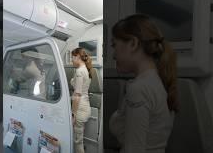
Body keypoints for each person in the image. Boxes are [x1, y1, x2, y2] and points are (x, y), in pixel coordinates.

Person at [109, 14, 178, 153]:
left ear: (133, 44)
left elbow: (133, 149)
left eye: (114, 45)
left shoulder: (139, 88)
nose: (113, 55)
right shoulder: (156, 81)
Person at [71, 48, 92, 153]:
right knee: (79, 141)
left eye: (72, 58)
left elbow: (77, 95)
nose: (72, 61)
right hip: (86, 107)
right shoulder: (86, 69)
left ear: (78, 57)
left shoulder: (79, 71)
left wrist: (73, 114)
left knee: (77, 142)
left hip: (79, 110)